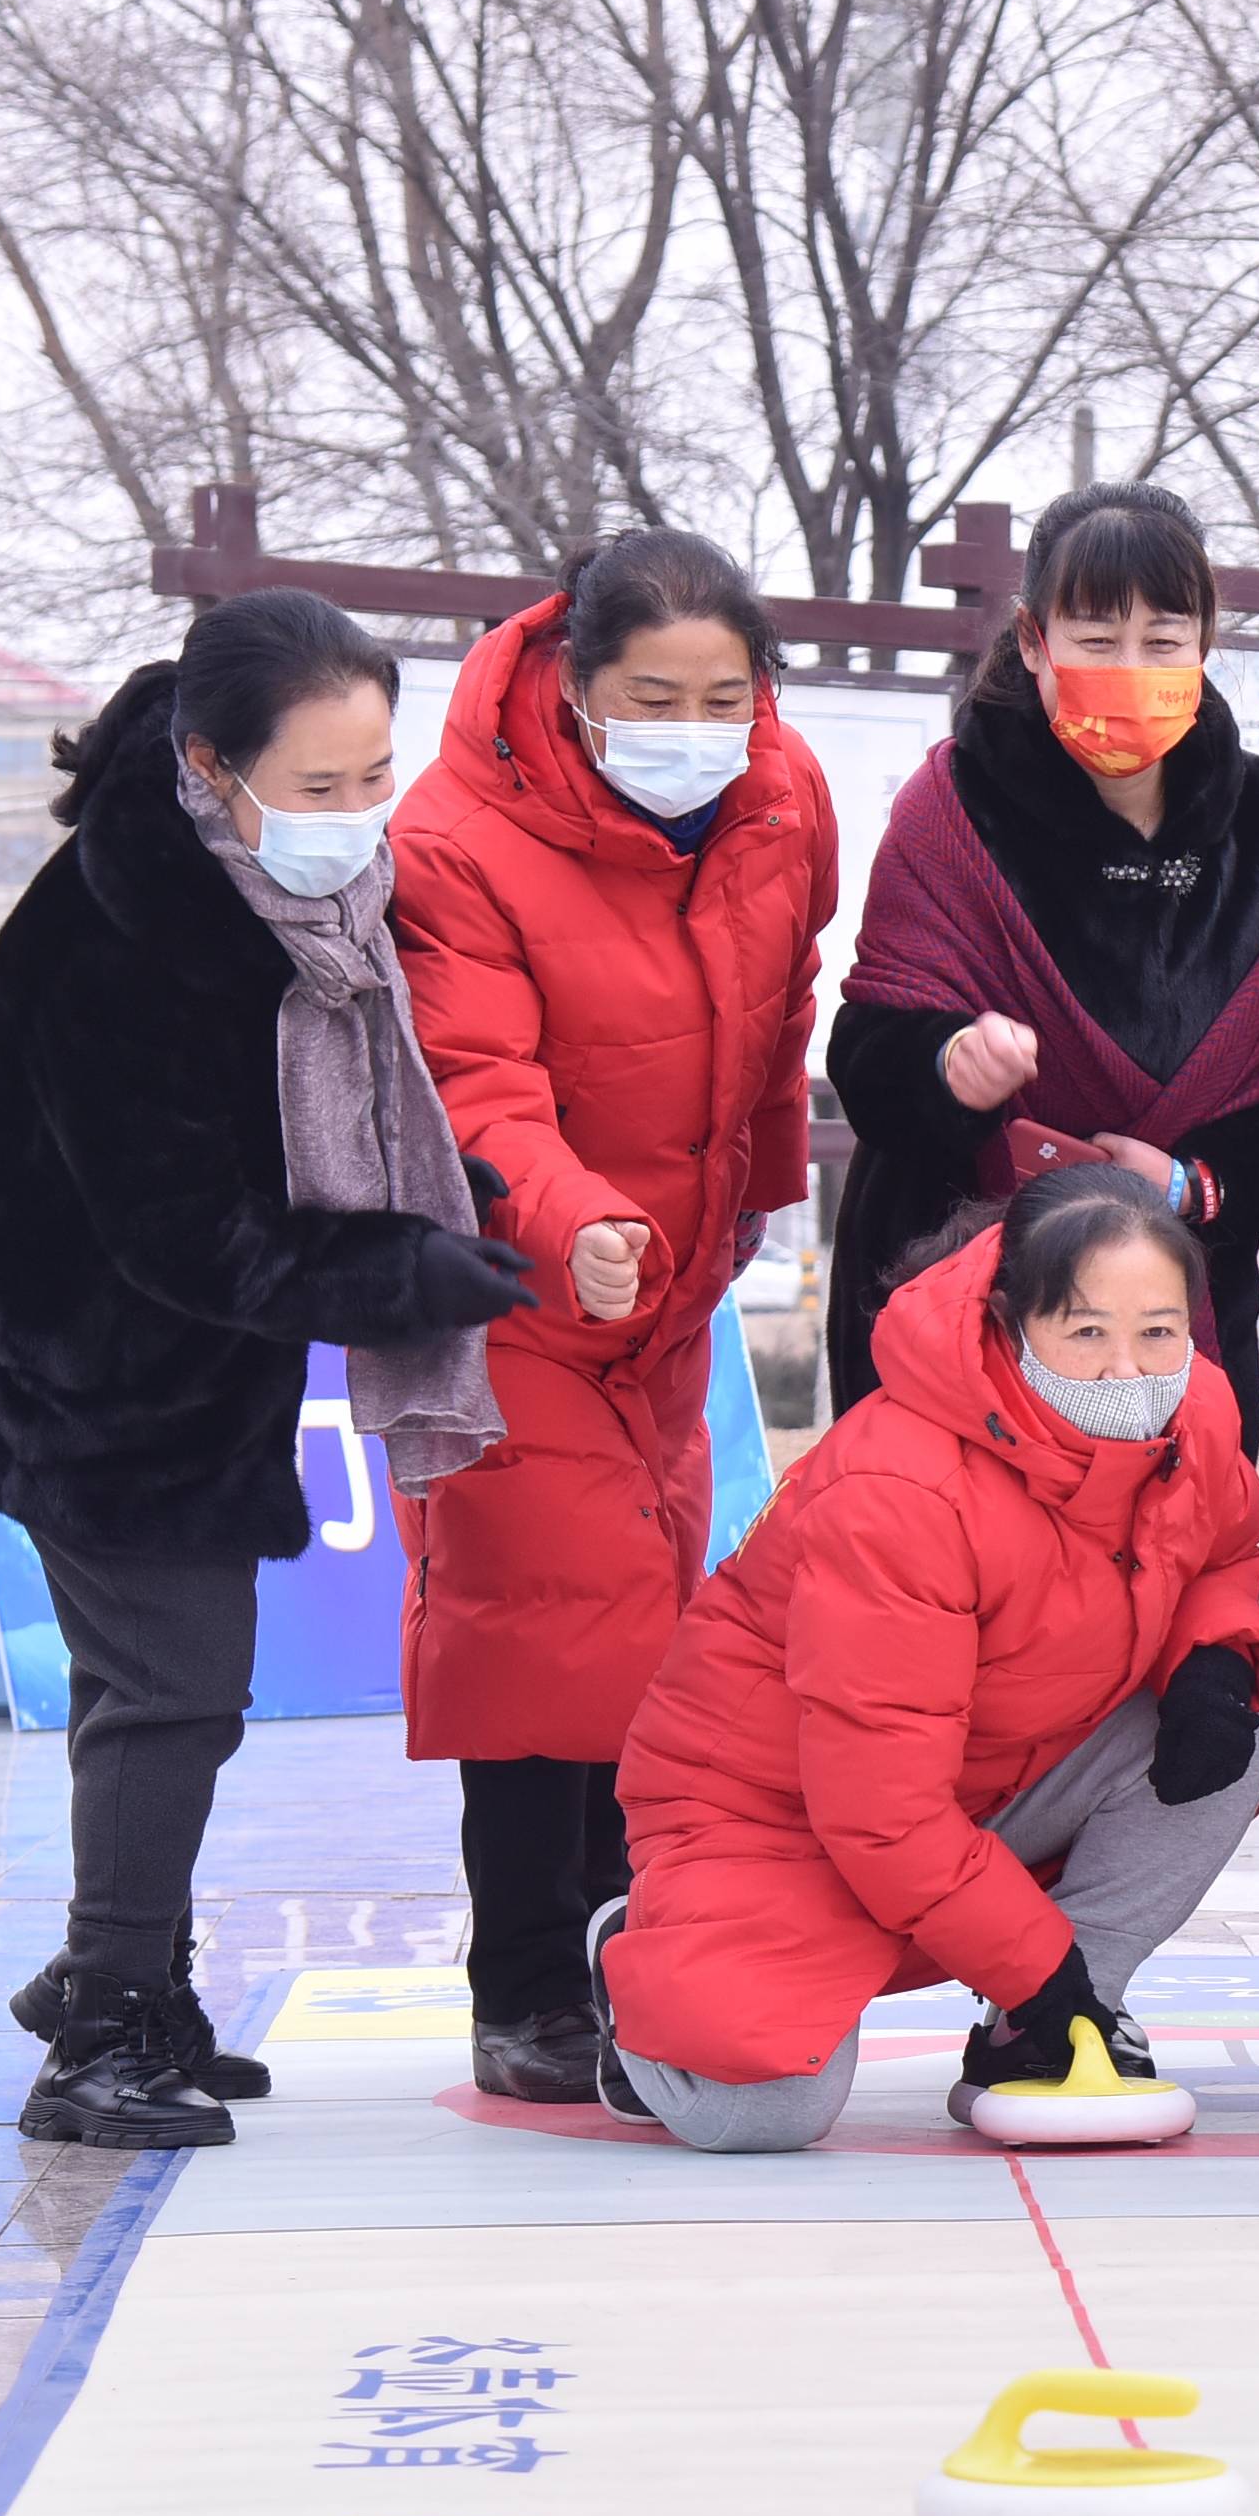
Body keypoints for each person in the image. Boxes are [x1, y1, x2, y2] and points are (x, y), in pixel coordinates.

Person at [0, 593, 541, 2150]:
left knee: (152, 1684)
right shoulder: (123, 932)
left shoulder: (279, 899)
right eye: (319, 789)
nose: (355, 819)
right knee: (173, 1690)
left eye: (374, 779)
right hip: (72, 1352)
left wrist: (451, 1204)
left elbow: (323, 1133)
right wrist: (398, 1274)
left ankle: (126, 1974)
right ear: (211, 764)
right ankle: (106, 2031)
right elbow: (183, 1231)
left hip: (170, 1354)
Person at [391, 530, 842, 2101]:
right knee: (545, 1629)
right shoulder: (454, 834)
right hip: (514, 1280)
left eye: (727, 693)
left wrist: (761, 1190)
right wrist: (573, 1216)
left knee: (645, 1635)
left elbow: (782, 1004)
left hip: (672, 1289)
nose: (697, 726)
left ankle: (615, 1956)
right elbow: (475, 1080)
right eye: (656, 693)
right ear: (577, 687)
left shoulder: (784, 797)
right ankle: (523, 1989)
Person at [594, 1170, 1259, 2152]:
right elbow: (878, 1807)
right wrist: (1035, 1960)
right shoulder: (897, 1487)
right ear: (1009, 1320)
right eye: (1086, 1332)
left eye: (1159, 1329)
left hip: (976, 1780)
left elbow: (1221, 1547)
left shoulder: (1196, 1411)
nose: (1129, 1367)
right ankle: (633, 1943)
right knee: (761, 2113)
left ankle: (1047, 2028)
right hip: (777, 1811)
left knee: (1233, 1729)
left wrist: (1212, 1655)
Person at [820, 482, 1259, 1427]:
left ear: (1205, 644)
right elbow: (869, 1053)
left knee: (1164, 1558)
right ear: (1033, 642)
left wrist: (1193, 1186)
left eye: (1162, 643)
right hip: (959, 1290)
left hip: (1175, 1306)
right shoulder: (951, 813)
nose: (1131, 669)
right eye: (1097, 642)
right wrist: (949, 1065)